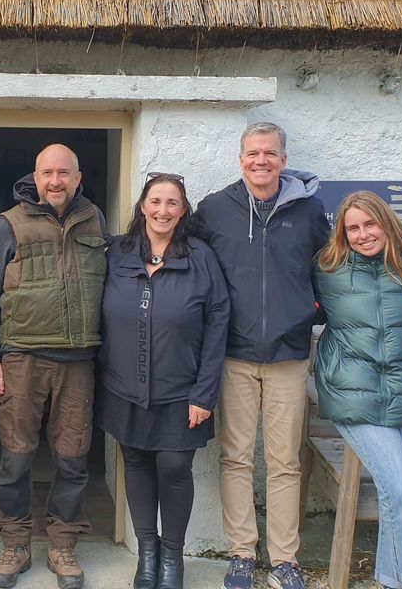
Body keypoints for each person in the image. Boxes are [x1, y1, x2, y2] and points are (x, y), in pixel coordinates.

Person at [195, 122, 329, 589]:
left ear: (284, 160)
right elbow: (189, 263)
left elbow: (328, 268)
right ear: (240, 159)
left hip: (289, 356)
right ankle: (240, 553)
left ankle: (285, 560)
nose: (261, 161)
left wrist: (311, 312)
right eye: (253, 153)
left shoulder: (310, 211)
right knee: (234, 458)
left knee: (284, 460)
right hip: (232, 353)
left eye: (270, 154)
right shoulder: (215, 209)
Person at [0, 143, 107, 589]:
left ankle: (63, 543)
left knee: (73, 457)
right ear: (35, 176)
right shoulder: (9, 223)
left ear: (78, 177)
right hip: (21, 358)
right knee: (16, 456)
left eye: (64, 173)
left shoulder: (95, 219)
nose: (56, 181)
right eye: (48, 172)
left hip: (79, 361)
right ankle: (15, 544)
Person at [97, 173, 229, 589]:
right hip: (123, 384)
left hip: (182, 387)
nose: (163, 210)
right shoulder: (117, 251)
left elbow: (218, 322)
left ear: (183, 210)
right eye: (156, 201)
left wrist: (204, 393)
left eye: (173, 203)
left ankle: (172, 556)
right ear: (142, 206)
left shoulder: (200, 257)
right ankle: (147, 553)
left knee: (174, 464)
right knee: (134, 460)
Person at [314, 191, 402, 589]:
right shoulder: (326, 267)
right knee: (401, 491)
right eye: (353, 227)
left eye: (370, 224)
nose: (363, 234)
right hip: (353, 394)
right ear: (343, 232)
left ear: (386, 223)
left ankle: (390, 578)